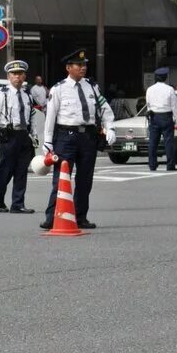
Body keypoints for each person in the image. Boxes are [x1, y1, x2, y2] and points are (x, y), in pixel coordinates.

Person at [40, 49, 115, 230]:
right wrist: (48, 141)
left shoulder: (92, 87)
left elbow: (104, 108)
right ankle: (52, 217)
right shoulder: (58, 89)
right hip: (66, 137)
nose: (83, 68)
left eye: (84, 65)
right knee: (61, 178)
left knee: (85, 179)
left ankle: (81, 216)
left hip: (88, 137)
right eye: (79, 65)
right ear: (68, 68)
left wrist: (110, 126)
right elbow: (50, 116)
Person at [0, 60, 42, 214]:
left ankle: (18, 204)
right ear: (8, 76)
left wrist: (34, 135)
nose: (17, 77)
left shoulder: (27, 95)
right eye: (14, 74)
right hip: (8, 135)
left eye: (20, 74)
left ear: (24, 76)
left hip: (23, 136)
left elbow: (31, 117)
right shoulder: (1, 93)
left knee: (21, 170)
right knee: (5, 170)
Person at [145, 67, 177, 172]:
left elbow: (148, 104)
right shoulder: (169, 89)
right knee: (168, 142)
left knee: (153, 142)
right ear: (165, 77)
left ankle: (152, 165)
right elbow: (174, 106)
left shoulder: (150, 89)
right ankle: (170, 165)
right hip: (166, 116)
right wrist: (176, 119)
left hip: (154, 116)